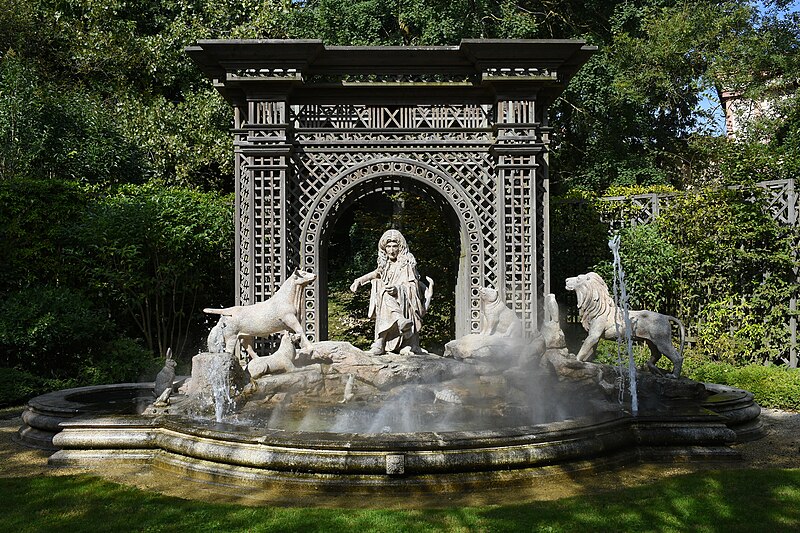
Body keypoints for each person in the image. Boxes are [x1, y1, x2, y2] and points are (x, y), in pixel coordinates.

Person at [350, 229, 432, 355]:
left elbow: (412, 286)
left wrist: (398, 289)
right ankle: (399, 321)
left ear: (400, 247)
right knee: (381, 288)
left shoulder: (406, 263)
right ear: (384, 248)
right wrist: (358, 281)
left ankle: (380, 342)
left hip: (405, 301)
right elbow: (375, 273)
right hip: (390, 301)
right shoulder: (386, 265)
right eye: (388, 246)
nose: (391, 250)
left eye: (395, 246)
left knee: (384, 293)